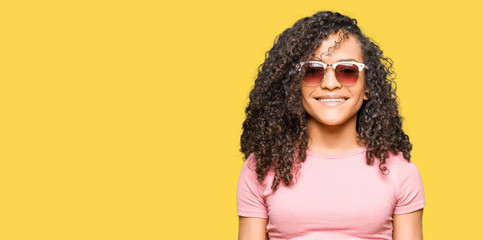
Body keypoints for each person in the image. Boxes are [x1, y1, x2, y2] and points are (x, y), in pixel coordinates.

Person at [237, 11, 425, 240]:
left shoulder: (400, 171)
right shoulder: (261, 167)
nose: (330, 84)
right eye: (313, 71)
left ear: (368, 87)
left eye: (347, 71)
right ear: (294, 86)